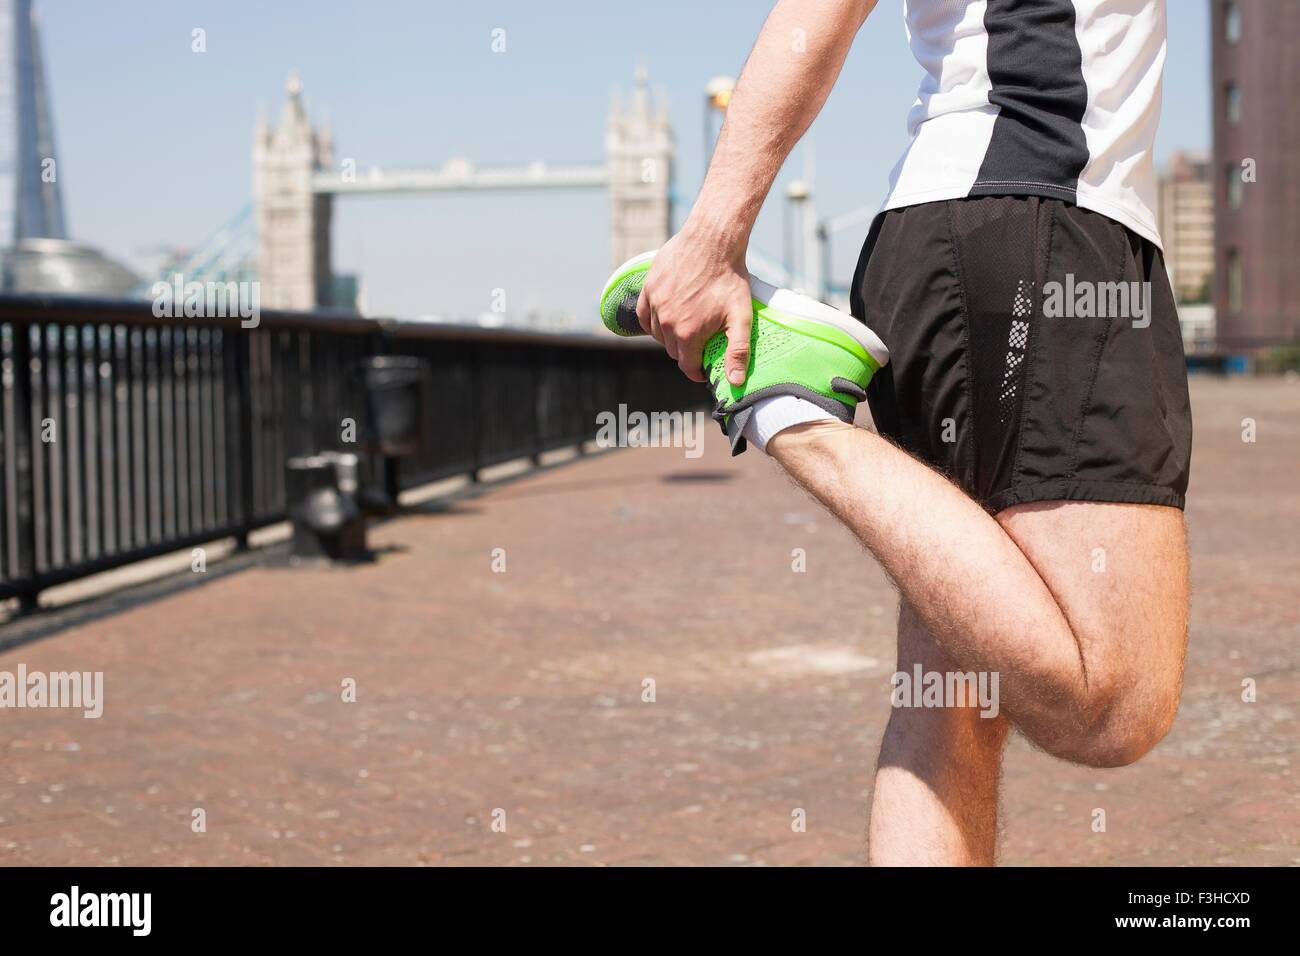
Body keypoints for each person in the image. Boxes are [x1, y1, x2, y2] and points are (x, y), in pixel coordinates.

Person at [635, 0, 1192, 865]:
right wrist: (715, 236)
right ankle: (789, 408)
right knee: (1110, 703)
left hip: (986, 228)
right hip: (1034, 213)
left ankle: (789, 403)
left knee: (950, 704)